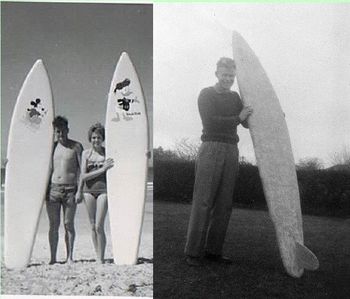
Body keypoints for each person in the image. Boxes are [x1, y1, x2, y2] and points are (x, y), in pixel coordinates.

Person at [184, 57, 253, 266]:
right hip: (211, 147)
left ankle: (214, 251)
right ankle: (193, 252)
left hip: (232, 149)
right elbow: (211, 122)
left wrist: (271, 116)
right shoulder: (206, 94)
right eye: (224, 75)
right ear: (217, 74)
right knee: (203, 201)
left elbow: (248, 123)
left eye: (231, 76)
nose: (228, 79)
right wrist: (239, 118)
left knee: (224, 204)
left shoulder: (235, 97)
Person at [46, 116, 83, 264]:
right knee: (53, 225)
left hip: (70, 190)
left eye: (63, 131)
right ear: (55, 132)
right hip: (53, 190)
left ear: (68, 129)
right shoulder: (51, 147)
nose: (61, 134)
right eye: (57, 132)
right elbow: (38, 164)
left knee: (69, 224)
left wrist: (80, 190)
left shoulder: (76, 146)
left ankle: (70, 257)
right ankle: (53, 258)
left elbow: (83, 170)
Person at [76, 123, 114, 263]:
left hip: (103, 191)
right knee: (92, 226)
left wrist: (146, 154)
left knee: (99, 225)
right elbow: (84, 176)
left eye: (98, 137)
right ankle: (97, 254)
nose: (95, 140)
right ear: (90, 139)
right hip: (88, 191)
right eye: (93, 138)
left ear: (102, 138)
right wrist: (102, 169)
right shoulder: (86, 154)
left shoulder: (107, 152)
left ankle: (101, 258)